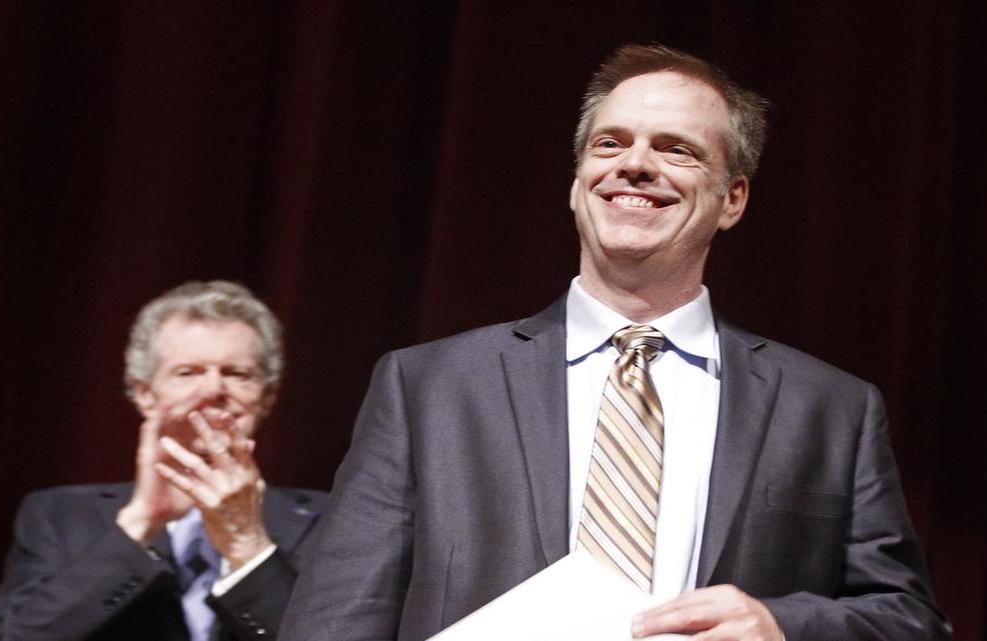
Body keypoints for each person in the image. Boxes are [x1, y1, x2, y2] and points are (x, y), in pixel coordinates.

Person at [278, 45, 950, 641]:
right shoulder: (429, 387)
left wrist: (784, 624)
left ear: (733, 198)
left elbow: (910, 619)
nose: (635, 165)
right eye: (610, 143)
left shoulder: (832, 409)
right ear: (576, 185)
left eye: (675, 148)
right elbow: (335, 618)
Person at [0, 280, 326, 641]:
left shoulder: (332, 522)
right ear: (145, 393)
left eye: (236, 373)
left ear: (267, 396)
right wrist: (139, 523)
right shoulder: (60, 516)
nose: (212, 391)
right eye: (187, 372)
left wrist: (248, 546)